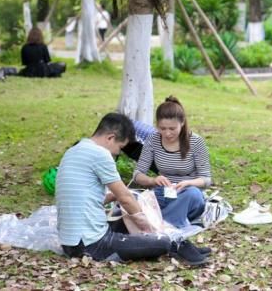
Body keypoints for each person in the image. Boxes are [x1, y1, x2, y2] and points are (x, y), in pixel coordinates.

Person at [56, 113, 209, 265]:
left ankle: (178, 241)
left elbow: (87, 197)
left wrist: (114, 196)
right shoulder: (100, 154)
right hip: (91, 244)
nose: (117, 153)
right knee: (159, 240)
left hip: (69, 242)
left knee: (126, 220)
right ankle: (174, 243)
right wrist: (150, 228)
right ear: (110, 138)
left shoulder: (73, 151)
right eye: (120, 147)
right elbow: (126, 199)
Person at [133, 96, 212, 229]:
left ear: (182, 123)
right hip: (163, 193)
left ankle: (163, 225)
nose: (167, 133)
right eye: (162, 129)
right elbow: (137, 174)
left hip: (187, 194)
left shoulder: (196, 141)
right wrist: (153, 180)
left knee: (193, 194)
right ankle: (166, 221)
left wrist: (188, 183)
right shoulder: (153, 140)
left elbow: (206, 179)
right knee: (132, 199)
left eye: (172, 128)